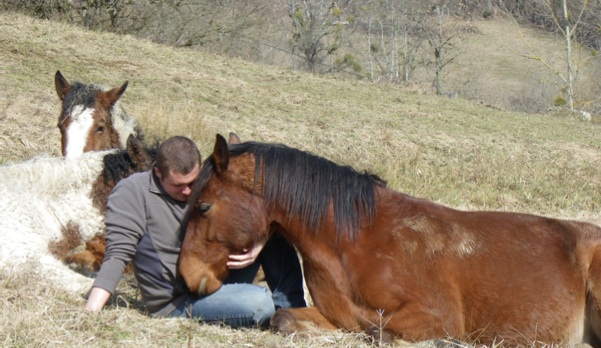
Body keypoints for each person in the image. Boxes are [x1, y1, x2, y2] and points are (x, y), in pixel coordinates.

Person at [85, 135, 306, 328]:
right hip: (179, 300)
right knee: (259, 304)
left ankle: (296, 314)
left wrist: (259, 243)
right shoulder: (131, 193)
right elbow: (117, 255)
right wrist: (89, 314)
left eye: (193, 182)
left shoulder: (204, 183)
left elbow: (249, 214)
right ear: (158, 173)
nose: (189, 191)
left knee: (275, 229)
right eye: (179, 186)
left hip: (215, 273)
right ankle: (272, 311)